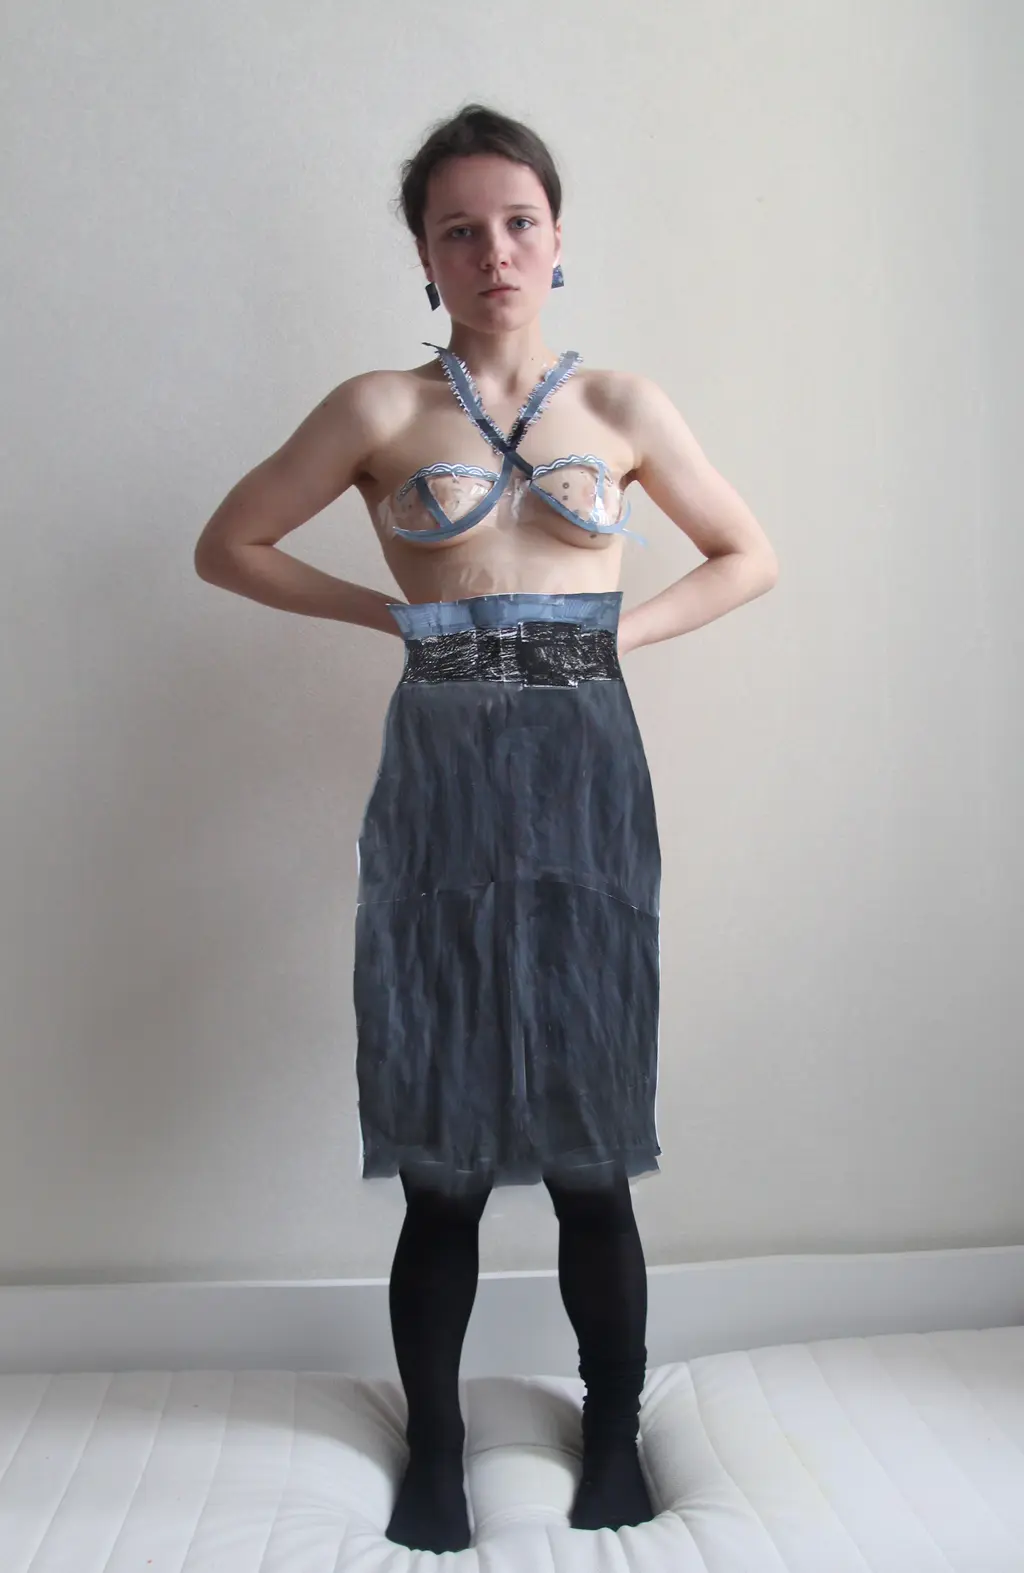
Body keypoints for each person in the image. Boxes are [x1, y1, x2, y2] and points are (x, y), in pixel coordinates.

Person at [194, 102, 778, 1555]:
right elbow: (229, 544)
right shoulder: (379, 411)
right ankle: (439, 1450)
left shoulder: (624, 407)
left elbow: (747, 554)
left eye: (518, 222)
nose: (493, 250)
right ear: (426, 255)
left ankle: (616, 1429)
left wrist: (620, 632)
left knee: (591, 1150)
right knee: (442, 1156)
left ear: (558, 238)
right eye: (460, 229)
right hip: (442, 782)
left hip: (588, 773)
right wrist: (386, 615)